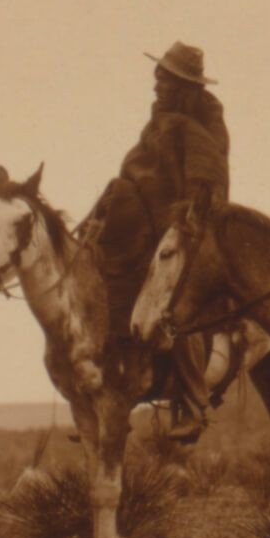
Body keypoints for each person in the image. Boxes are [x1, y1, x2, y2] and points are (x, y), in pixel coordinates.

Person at [85, 41, 229, 441]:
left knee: (173, 305)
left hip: (177, 237)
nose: (156, 87)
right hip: (139, 231)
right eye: (157, 78)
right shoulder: (157, 125)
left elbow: (206, 190)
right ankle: (110, 392)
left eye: (164, 80)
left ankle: (194, 401)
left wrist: (179, 230)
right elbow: (134, 177)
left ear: (184, 85)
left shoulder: (198, 131)